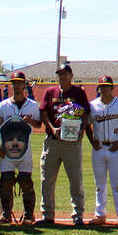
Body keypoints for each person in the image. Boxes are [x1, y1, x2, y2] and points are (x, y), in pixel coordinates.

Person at [39, 63, 91, 225]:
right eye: (60, 74)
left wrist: (81, 130)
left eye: (65, 74)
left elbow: (85, 114)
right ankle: (47, 215)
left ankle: (78, 215)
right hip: (53, 141)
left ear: (71, 76)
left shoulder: (78, 93)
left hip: (72, 143)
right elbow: (44, 112)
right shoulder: (50, 92)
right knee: (47, 179)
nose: (62, 77)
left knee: (75, 180)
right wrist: (53, 128)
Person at [0, 71, 42, 225]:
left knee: (26, 181)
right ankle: (5, 214)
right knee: (6, 181)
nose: (17, 85)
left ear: (24, 85)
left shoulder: (33, 106)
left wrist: (32, 121)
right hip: (7, 150)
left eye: (20, 82)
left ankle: (28, 215)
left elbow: (39, 124)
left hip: (25, 150)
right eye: (14, 82)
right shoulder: (3, 105)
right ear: (12, 84)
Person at [88, 74, 118, 226]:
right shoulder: (92, 105)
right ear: (98, 88)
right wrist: (92, 140)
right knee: (100, 184)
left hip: (114, 148)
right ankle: (100, 214)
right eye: (102, 86)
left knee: (116, 183)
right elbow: (87, 124)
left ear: (112, 88)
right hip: (98, 148)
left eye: (107, 86)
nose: (104, 89)